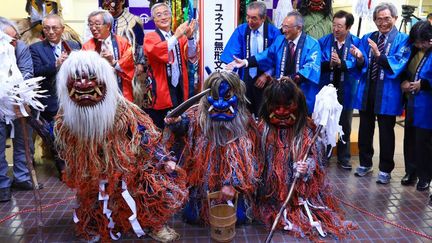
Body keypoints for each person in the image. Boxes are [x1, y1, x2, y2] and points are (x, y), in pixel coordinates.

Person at [55, 50, 188, 242]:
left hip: (128, 168)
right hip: (93, 172)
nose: (83, 84)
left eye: (91, 77)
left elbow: (146, 137)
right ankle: (96, 223)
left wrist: (164, 159)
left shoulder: (124, 112)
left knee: (149, 187)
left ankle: (152, 224)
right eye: (76, 78)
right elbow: (62, 146)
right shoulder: (66, 119)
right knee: (92, 198)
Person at [255, 77, 354, 240]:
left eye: (287, 106)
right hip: (271, 194)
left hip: (298, 193)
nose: (281, 112)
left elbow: (316, 158)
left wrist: (306, 166)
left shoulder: (307, 130)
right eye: (276, 106)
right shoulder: (261, 130)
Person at [164, 71, 260, 225]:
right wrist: (175, 122)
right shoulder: (196, 114)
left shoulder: (245, 122)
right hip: (202, 183)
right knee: (193, 216)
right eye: (215, 97)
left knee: (239, 218)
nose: (220, 104)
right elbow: (183, 128)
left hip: (232, 186)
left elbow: (249, 158)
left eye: (227, 97)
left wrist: (233, 184)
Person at [350, 2, 411, 184]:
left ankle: (385, 169)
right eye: (379, 19)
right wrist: (360, 58)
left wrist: (378, 54)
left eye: (386, 18)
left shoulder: (403, 40)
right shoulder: (368, 37)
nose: (382, 22)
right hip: (368, 88)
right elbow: (359, 63)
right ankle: (365, 163)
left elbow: (399, 63)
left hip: (388, 92)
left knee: (386, 131)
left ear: (395, 18)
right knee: (365, 128)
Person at [228, 11, 321, 114]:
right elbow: (265, 55)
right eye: (283, 26)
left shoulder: (312, 44)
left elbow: (311, 67)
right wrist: (245, 62)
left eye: (287, 27)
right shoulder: (280, 40)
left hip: (302, 93)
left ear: (298, 28)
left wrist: (290, 79)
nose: (283, 30)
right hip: (281, 94)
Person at [29, 14, 80, 177]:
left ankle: (78, 166)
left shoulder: (73, 45)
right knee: (57, 137)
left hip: (73, 100)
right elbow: (35, 72)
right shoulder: (36, 49)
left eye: (54, 28)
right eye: (47, 28)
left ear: (62, 29)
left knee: (75, 135)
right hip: (50, 102)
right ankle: (63, 170)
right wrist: (55, 64)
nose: (50, 31)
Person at [0, 17, 39, 202]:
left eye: (16, 37)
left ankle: (22, 178)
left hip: (19, 100)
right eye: (10, 39)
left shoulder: (21, 47)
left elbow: (26, 72)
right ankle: (2, 185)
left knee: (24, 142)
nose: (14, 42)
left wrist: (19, 97)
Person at [220, 1, 281, 115]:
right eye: (248, 17)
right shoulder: (241, 30)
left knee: (265, 113)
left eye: (254, 18)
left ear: (263, 18)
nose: (249, 21)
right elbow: (234, 53)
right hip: (245, 76)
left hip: (267, 78)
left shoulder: (274, 33)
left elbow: (278, 58)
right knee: (244, 113)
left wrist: (267, 74)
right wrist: (232, 65)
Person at [143, 3, 197, 129]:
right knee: (160, 128)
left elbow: (191, 55)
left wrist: (190, 38)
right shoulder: (150, 37)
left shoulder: (180, 37)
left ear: (171, 16)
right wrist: (177, 35)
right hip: (160, 90)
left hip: (179, 88)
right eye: (159, 15)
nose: (163, 17)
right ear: (154, 20)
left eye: (166, 13)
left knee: (180, 129)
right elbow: (157, 51)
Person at [319, 10, 360, 170]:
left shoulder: (356, 42)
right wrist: (330, 63)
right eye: (334, 25)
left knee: (345, 124)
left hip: (347, 89)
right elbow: (317, 61)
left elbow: (358, 65)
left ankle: (344, 158)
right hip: (326, 88)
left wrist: (342, 63)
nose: (336, 29)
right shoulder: (323, 41)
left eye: (340, 26)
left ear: (348, 27)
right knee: (324, 122)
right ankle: (324, 155)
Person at [400, 21, 432, 191]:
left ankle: (425, 176)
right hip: (412, 101)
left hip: (427, 105)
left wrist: (424, 84)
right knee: (410, 138)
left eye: (421, 42)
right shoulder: (416, 50)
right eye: (416, 42)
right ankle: (411, 171)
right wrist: (405, 81)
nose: (418, 45)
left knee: (424, 141)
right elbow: (404, 69)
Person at [101, 0, 147, 106]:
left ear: (122, 1)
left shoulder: (133, 21)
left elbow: (140, 45)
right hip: (104, 71)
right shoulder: (98, 21)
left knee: (128, 105)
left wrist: (139, 64)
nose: (109, 3)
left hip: (128, 71)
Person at [83, 10, 135, 102]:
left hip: (120, 91)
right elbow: (83, 71)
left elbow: (129, 66)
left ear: (108, 25)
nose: (93, 28)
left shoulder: (122, 43)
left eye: (97, 24)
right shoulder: (87, 46)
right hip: (97, 93)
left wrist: (113, 62)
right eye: (90, 24)